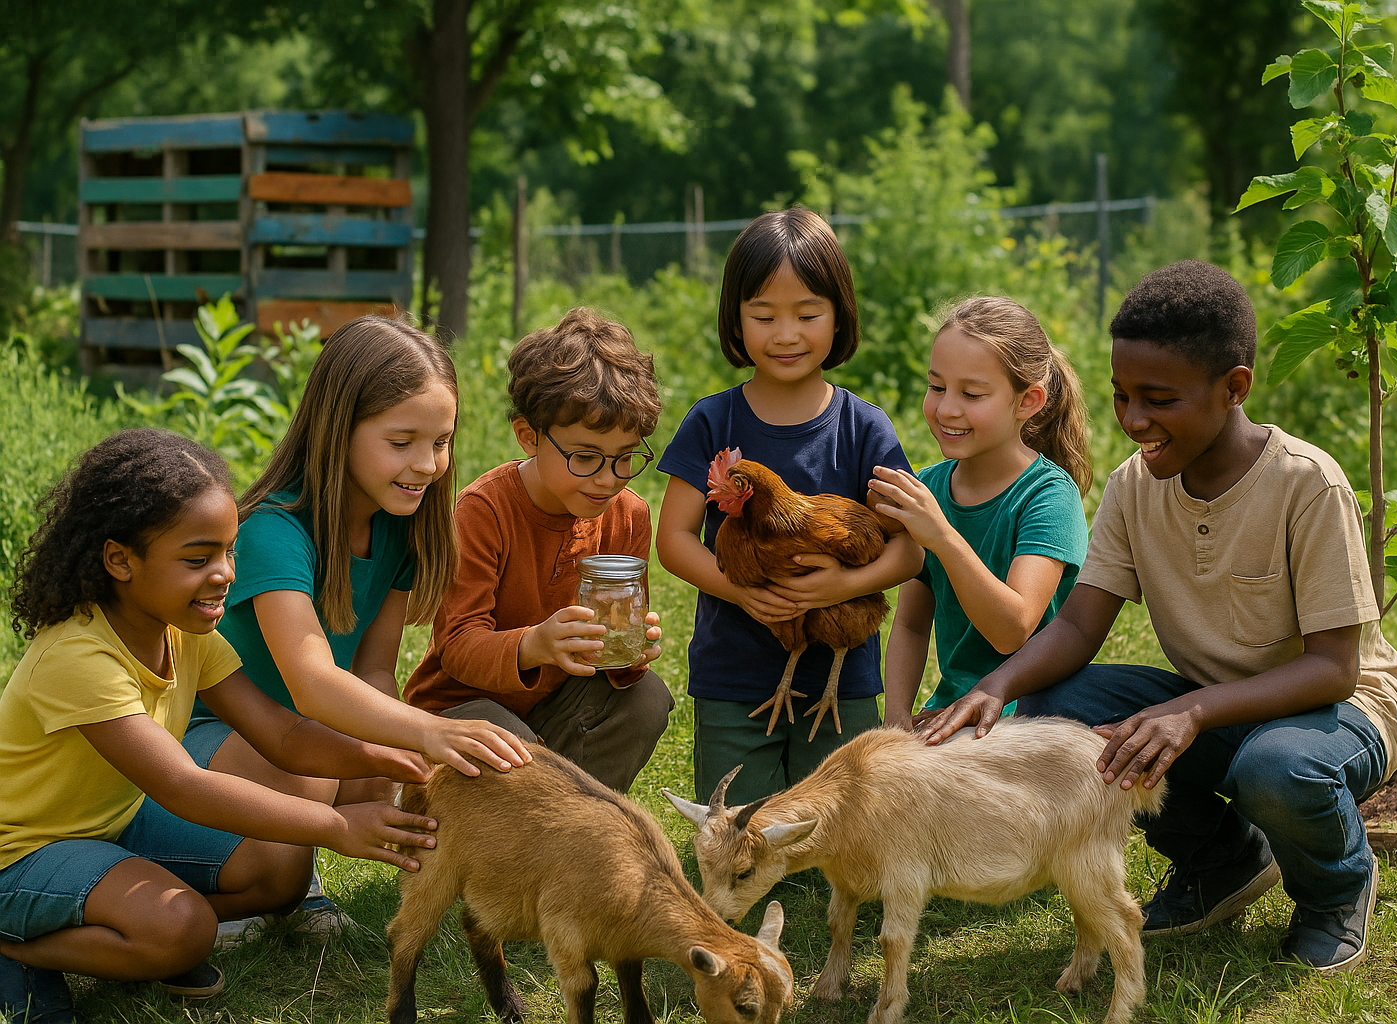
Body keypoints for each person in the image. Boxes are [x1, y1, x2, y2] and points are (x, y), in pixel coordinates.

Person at [920, 260, 1397, 972]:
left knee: (1277, 770)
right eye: (1121, 396)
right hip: (1219, 708)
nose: (1134, 420)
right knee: (1057, 708)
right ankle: (1223, 861)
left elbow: (1334, 669)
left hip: (1340, 709)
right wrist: (996, 687)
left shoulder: (1307, 484)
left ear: (1233, 389)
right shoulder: (1133, 487)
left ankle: (1335, 889)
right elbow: (1079, 628)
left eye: (1158, 399)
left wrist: (1193, 713)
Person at [0, 429, 438, 1024]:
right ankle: (17, 949)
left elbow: (282, 736)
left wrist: (387, 755)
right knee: (183, 931)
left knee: (283, 872)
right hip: (21, 853)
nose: (225, 573)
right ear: (120, 560)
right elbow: (185, 786)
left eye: (230, 552)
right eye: (197, 558)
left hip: (110, 827)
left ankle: (129, 924)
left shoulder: (184, 635)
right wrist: (336, 824)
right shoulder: (78, 657)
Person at [180, 315, 531, 943]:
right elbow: (313, 682)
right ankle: (229, 885)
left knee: (383, 756)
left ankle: (295, 876)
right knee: (335, 761)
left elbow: (372, 669)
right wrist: (430, 730)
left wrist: (408, 751)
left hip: (300, 741)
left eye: (441, 441)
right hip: (216, 738)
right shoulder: (273, 529)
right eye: (402, 442)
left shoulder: (400, 526)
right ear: (338, 430)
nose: (427, 464)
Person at [656, 208, 924, 805]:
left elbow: (908, 548)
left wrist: (841, 586)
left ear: (838, 317)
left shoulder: (863, 428)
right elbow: (673, 539)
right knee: (739, 826)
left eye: (807, 314)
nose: (785, 334)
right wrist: (741, 591)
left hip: (843, 670)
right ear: (736, 320)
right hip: (736, 672)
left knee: (846, 828)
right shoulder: (711, 421)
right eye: (764, 315)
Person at [403, 308, 669, 793]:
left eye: (626, 457)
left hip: (551, 714)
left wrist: (631, 653)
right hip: (462, 711)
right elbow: (458, 646)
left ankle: (573, 828)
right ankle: (466, 814)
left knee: (647, 698)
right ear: (529, 436)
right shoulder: (484, 511)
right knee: (516, 750)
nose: (608, 478)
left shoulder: (628, 515)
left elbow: (613, 661)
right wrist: (535, 644)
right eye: (585, 457)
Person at [874, 296, 1091, 729]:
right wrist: (896, 719)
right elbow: (912, 625)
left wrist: (943, 537)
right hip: (955, 710)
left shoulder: (1048, 496)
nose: (947, 409)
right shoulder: (931, 487)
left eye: (971, 394)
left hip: (1033, 718)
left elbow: (1012, 630)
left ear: (1027, 401)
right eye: (937, 387)